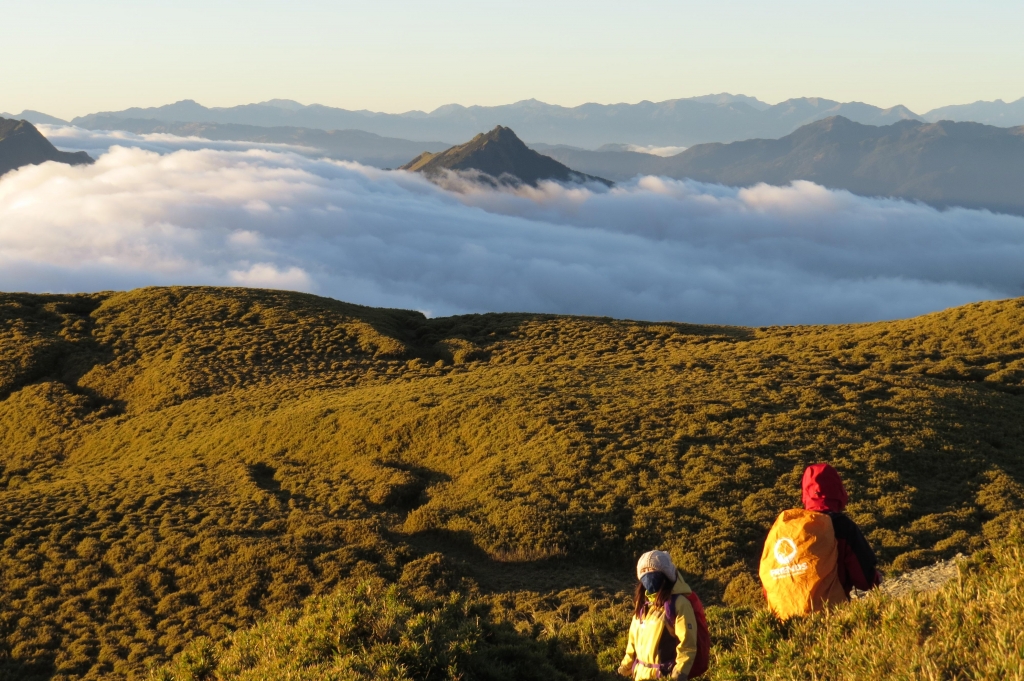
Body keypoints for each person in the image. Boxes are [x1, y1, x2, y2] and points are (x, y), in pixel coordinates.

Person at [759, 463, 882, 618]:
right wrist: (876, 577)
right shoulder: (841, 526)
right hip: (829, 619)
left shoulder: (786, 528)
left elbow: (767, 589)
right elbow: (865, 581)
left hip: (783, 622)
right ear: (838, 490)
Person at [618, 550, 709, 680]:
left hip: (663, 676)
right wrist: (625, 666)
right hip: (640, 675)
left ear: (666, 573)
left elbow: (687, 645)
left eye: (652, 568)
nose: (648, 573)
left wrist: (679, 673)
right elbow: (632, 642)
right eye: (644, 570)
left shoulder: (679, 604)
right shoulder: (642, 606)